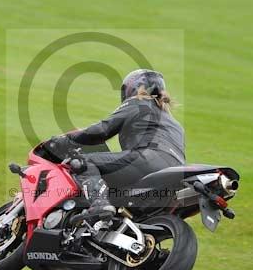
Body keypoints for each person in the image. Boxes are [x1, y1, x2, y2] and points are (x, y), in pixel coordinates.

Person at [48, 69, 185, 217]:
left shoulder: (139, 102)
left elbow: (102, 130)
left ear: (134, 88)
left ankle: (100, 205)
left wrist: (68, 139)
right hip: (177, 172)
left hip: (148, 160)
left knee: (83, 162)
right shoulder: (175, 123)